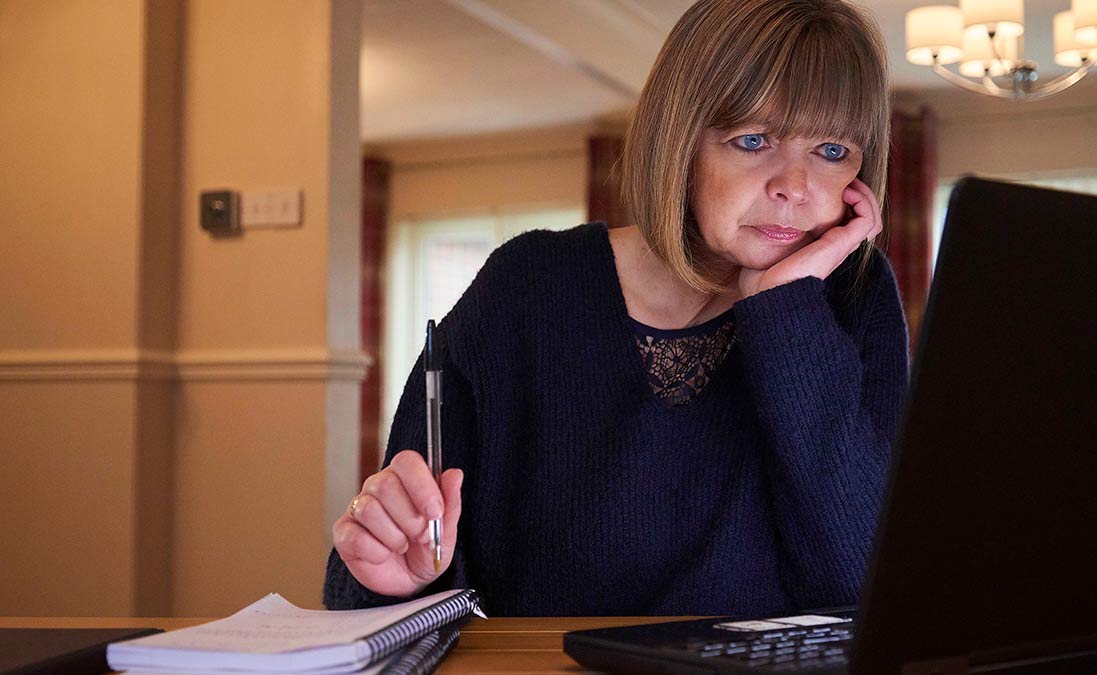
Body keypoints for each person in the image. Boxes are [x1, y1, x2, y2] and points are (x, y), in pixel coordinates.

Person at [324, 0, 908, 616]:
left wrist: (789, 316)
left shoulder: (851, 298)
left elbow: (868, 587)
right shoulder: (527, 289)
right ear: (679, 142)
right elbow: (398, 568)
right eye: (753, 139)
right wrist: (397, 581)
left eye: (833, 151)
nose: (796, 185)